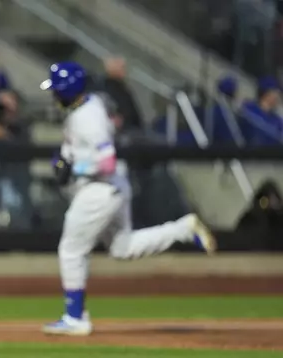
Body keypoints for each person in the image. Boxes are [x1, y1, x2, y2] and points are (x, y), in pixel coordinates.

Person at [39, 61, 217, 336]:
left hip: (99, 188)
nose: (53, 95)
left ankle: (75, 318)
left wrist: (75, 167)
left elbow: (107, 162)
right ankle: (183, 229)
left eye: (56, 90)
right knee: (123, 247)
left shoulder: (89, 118)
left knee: (71, 250)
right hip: (112, 186)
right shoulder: (86, 106)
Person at [238, 76, 283, 145]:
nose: (278, 97)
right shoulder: (249, 108)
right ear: (267, 93)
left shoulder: (277, 120)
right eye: (276, 92)